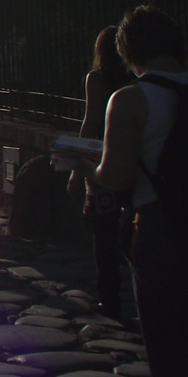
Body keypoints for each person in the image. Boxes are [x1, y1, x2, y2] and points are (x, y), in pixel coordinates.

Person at [75, 6, 188, 377]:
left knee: (170, 351)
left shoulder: (130, 99)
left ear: (128, 52)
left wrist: (85, 168)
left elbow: (116, 177)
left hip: (163, 230)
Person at [76, 26, 133, 319]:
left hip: (102, 160)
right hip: (134, 159)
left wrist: (78, 167)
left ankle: (109, 298)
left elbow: (91, 121)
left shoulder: (97, 79)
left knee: (104, 234)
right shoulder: (136, 78)